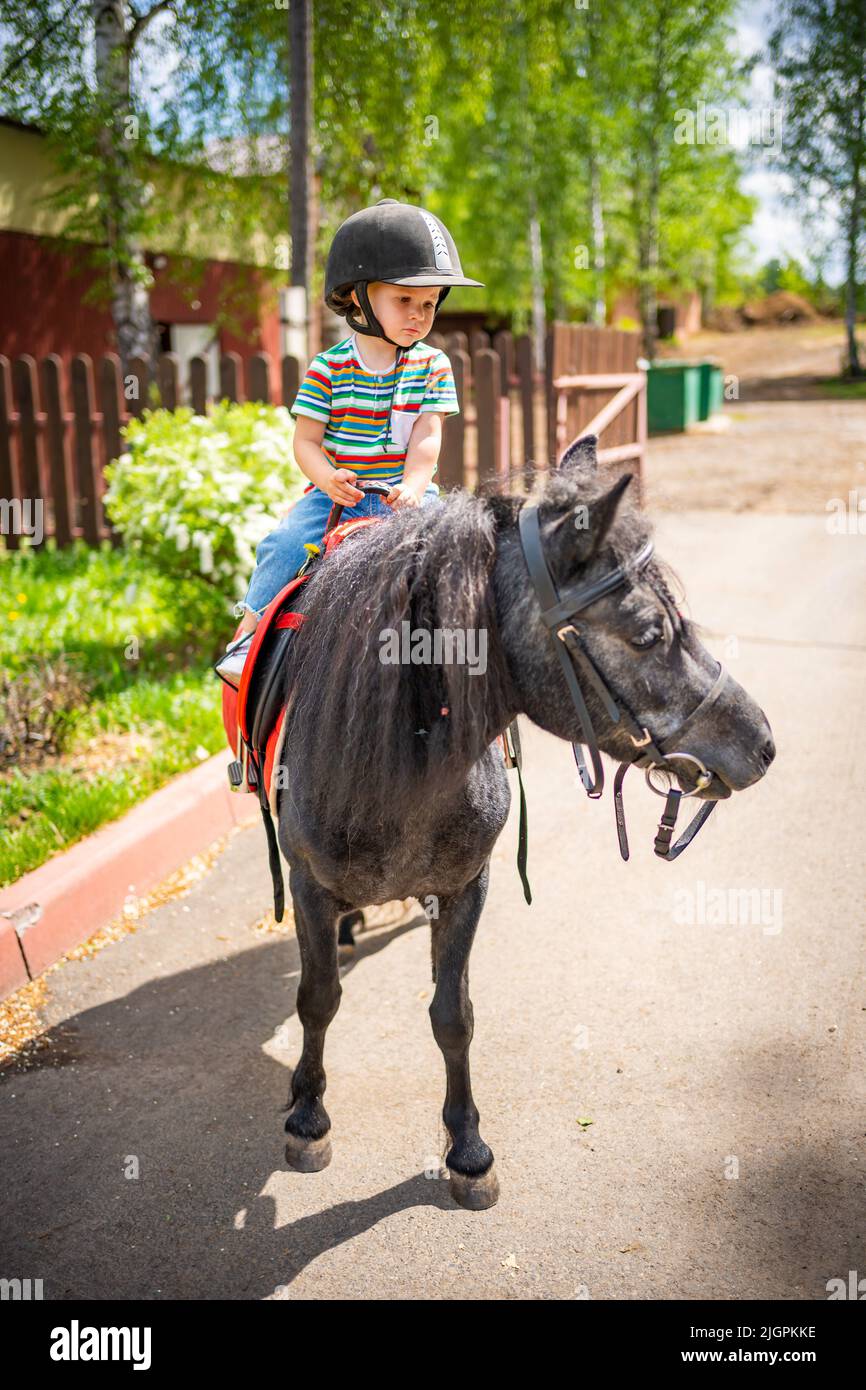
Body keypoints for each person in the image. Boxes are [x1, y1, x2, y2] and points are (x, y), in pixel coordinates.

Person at [216, 197, 484, 683]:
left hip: (406, 496)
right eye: (404, 299)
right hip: (340, 497)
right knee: (285, 542)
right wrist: (327, 477)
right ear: (358, 298)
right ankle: (249, 637)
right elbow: (306, 442)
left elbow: (428, 433)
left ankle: (468, 644)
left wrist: (416, 483)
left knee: (461, 548)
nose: (419, 314)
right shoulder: (329, 368)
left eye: (429, 303)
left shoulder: (433, 366)